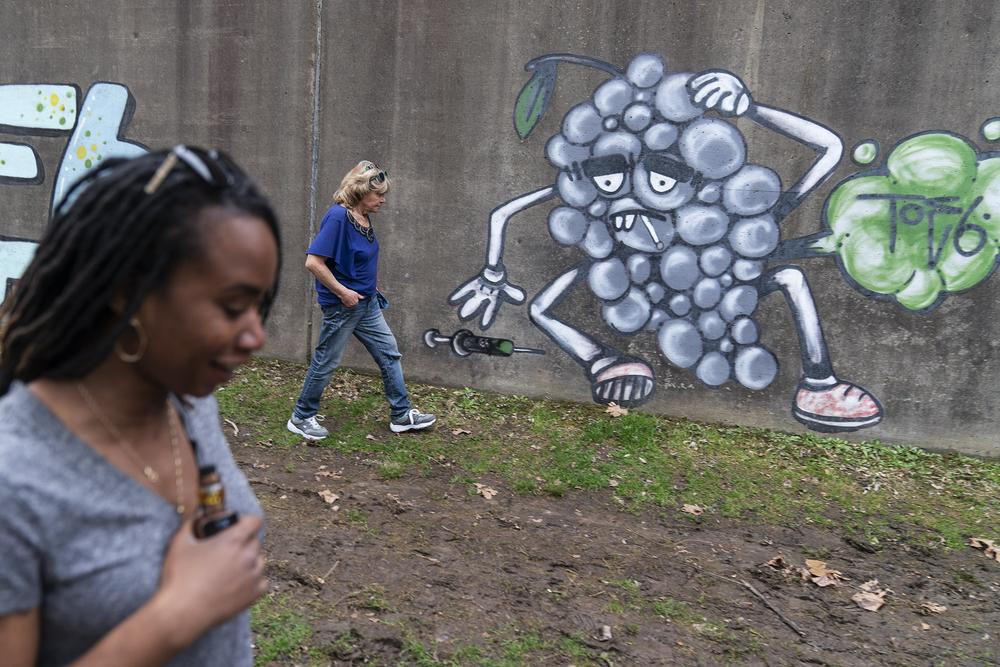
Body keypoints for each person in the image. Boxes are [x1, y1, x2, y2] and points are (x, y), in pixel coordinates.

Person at [0, 146, 280, 666]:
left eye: (258, 307)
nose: (256, 336)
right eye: (231, 306)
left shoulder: (189, 403)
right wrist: (177, 613)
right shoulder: (13, 478)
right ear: (128, 290)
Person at [287, 160, 435, 440]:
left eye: (384, 194)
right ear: (360, 193)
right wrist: (343, 292)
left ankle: (402, 415)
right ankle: (301, 416)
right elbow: (314, 263)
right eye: (378, 194)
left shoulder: (362, 218)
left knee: (389, 354)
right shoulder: (338, 218)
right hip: (343, 307)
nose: (383, 200)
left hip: (367, 305)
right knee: (326, 361)